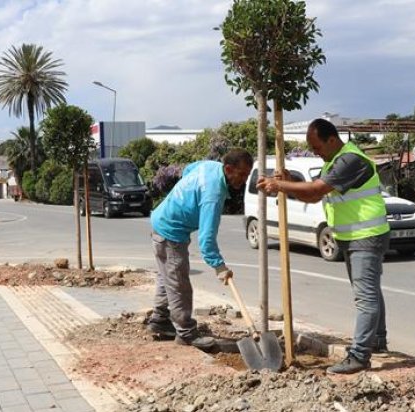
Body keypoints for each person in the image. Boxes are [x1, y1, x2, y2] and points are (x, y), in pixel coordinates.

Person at [257, 118, 390, 374]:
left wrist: (279, 185)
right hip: (353, 236)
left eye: (316, 146)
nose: (315, 152)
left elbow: (317, 188)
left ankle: (360, 356)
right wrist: (289, 181)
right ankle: (377, 341)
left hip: (366, 235)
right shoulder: (333, 161)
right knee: (369, 292)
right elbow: (313, 194)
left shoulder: (350, 160)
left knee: (365, 297)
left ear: (332, 139)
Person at [147, 149, 253, 350]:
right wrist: (219, 266)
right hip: (171, 232)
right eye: (242, 174)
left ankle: (160, 320)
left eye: (247, 175)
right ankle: (186, 332)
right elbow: (206, 240)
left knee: (166, 277)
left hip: (160, 221)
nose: (245, 180)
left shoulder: (210, 166)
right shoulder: (213, 195)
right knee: (179, 283)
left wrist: (189, 196)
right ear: (228, 169)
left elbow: (188, 170)